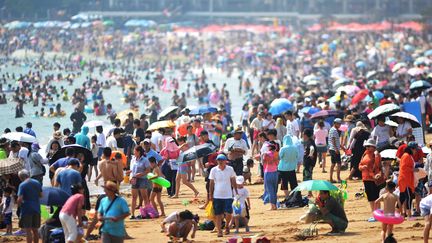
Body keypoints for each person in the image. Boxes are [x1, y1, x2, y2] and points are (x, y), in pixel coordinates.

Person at [209, 154, 238, 237]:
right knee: (218, 214)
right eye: (218, 160)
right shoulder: (214, 170)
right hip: (217, 195)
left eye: (222, 160)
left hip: (228, 194)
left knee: (229, 213)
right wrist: (210, 194)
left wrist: (236, 191)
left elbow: (233, 180)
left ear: (226, 161)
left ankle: (227, 226)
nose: (220, 162)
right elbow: (211, 183)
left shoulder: (230, 169)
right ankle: (219, 231)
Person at [359, 139, 383, 222]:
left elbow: (377, 167)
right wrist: (362, 167)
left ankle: (378, 215)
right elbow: (360, 165)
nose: (367, 148)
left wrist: (371, 173)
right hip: (365, 178)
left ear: (373, 147)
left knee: (375, 197)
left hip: (373, 179)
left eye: (369, 146)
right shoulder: (365, 153)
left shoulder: (376, 155)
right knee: (370, 198)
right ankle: (374, 214)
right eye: (366, 146)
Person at [17, 169, 42, 243]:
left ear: (21, 177)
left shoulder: (22, 184)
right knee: (35, 230)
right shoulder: (37, 182)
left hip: (27, 209)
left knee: (28, 231)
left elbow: (19, 199)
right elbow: (41, 195)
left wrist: (19, 206)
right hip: (36, 208)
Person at [129, 146, 150, 219]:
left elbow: (148, 170)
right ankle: (132, 214)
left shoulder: (145, 160)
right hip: (134, 179)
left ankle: (147, 213)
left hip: (142, 179)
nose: (133, 152)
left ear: (138, 152)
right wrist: (130, 177)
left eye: (134, 151)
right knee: (134, 197)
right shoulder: (133, 160)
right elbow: (132, 170)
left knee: (144, 196)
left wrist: (141, 174)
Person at [398, 142, 418, 219]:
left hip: (406, 179)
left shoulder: (407, 156)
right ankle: (409, 215)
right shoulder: (406, 156)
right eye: (415, 149)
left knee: (402, 197)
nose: (416, 151)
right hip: (405, 180)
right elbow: (404, 168)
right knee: (408, 197)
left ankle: (398, 214)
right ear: (411, 149)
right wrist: (413, 169)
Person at [329, 118, 343, 183]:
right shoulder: (334, 130)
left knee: (333, 164)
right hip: (334, 149)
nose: (340, 125)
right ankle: (338, 178)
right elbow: (333, 140)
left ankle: (331, 178)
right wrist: (336, 149)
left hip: (331, 149)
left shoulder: (332, 129)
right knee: (339, 164)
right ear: (335, 123)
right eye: (339, 124)